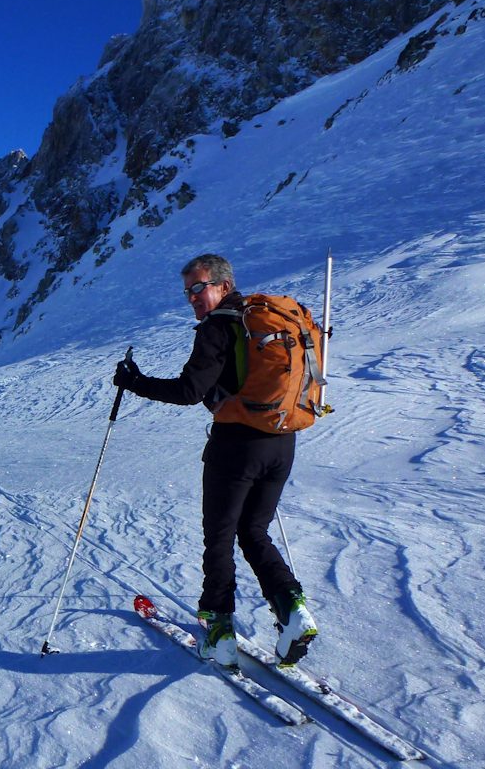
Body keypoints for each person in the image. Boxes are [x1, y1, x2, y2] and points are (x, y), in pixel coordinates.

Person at [112, 254, 318, 668]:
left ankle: (219, 632)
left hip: (236, 445)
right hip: (282, 440)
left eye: (198, 287)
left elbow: (190, 391)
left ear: (224, 285)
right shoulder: (265, 320)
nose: (192, 297)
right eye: (187, 290)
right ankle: (293, 611)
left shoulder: (220, 326)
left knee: (220, 535)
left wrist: (134, 382)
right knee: (254, 530)